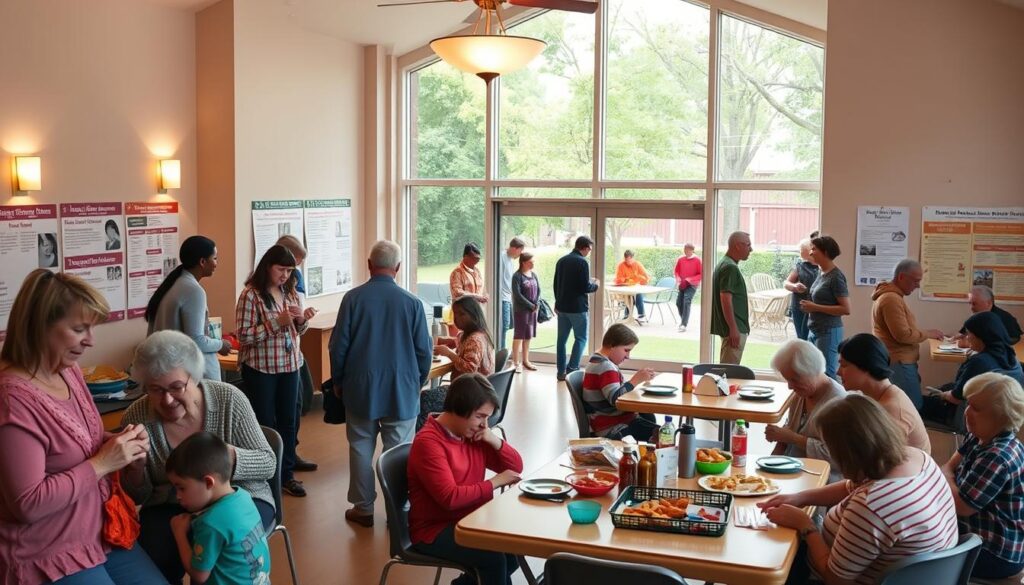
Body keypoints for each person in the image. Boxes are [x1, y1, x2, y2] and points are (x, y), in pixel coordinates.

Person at [0, 269, 167, 585]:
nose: (91, 340)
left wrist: (122, 445)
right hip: (47, 553)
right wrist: (104, 462)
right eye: (79, 329)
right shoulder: (12, 399)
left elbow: (76, 443)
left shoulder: (68, 371)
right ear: (39, 328)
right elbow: (28, 503)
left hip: (99, 532)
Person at [121, 330, 276, 582]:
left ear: (193, 377)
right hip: (171, 505)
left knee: (220, 550)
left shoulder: (229, 399)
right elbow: (138, 497)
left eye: (176, 387)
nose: (168, 399)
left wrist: (223, 457)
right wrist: (136, 468)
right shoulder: (137, 417)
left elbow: (268, 463)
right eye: (156, 390)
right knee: (154, 555)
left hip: (239, 498)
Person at [759, 394, 958, 585]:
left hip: (828, 578)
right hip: (926, 578)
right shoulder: (917, 458)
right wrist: (801, 498)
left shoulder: (872, 506)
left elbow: (835, 579)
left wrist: (806, 526)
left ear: (846, 453)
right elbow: (850, 487)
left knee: (773, 562)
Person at [330, 240, 432, 528]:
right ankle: (397, 509)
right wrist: (418, 381)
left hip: (360, 388)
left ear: (369, 264)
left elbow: (339, 346)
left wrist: (339, 380)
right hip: (402, 390)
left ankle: (363, 509)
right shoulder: (412, 303)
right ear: (397, 268)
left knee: (360, 447)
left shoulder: (352, 299)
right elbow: (424, 351)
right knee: (399, 450)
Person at [408, 374, 524, 585]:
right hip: (434, 530)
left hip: (471, 520)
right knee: (494, 559)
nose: (484, 425)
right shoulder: (429, 443)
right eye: (480, 416)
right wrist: (494, 482)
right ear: (459, 409)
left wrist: (494, 439)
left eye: (487, 418)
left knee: (514, 549)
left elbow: (515, 468)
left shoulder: (471, 435)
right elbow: (449, 498)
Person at [235, 245, 314, 497]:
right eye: (281, 269)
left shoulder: (289, 292)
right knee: (266, 422)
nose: (285, 275)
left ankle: (287, 474)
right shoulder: (251, 295)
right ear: (267, 266)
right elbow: (244, 336)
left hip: (289, 366)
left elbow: (296, 332)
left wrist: (302, 321)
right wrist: (274, 323)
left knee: (289, 421)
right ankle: (267, 474)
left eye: (290, 271)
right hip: (261, 369)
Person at [940, 373, 1024, 580]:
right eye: (968, 404)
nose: (966, 412)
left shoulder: (997, 456)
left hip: (995, 552)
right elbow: (950, 464)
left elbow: (961, 506)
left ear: (1001, 416)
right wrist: (948, 476)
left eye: (976, 409)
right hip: (976, 535)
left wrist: (946, 477)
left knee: (918, 553)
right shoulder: (980, 436)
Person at [166, 432, 271, 585]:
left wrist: (179, 533)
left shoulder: (211, 524)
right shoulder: (243, 496)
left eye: (181, 488)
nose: (178, 496)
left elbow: (199, 575)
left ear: (209, 482)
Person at [145, 235, 232, 382]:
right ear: (203, 262)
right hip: (191, 375)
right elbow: (196, 340)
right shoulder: (193, 291)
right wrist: (221, 344)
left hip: (170, 370)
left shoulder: (174, 284)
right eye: (215, 258)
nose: (217, 263)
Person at [921, 312, 1024, 429]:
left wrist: (943, 395)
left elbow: (956, 398)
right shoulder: (1011, 357)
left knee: (915, 403)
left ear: (981, 337)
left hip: (963, 416)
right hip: (1001, 418)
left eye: (969, 334)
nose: (967, 337)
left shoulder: (979, 362)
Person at [765, 339, 846, 482]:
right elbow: (788, 430)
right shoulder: (801, 393)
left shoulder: (838, 403)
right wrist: (768, 465)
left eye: (794, 380)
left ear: (812, 372)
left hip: (820, 480)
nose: (790, 386)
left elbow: (837, 457)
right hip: (791, 472)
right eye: (787, 380)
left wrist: (793, 438)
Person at [837, 334, 931, 453]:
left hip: (906, 470)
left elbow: (879, 460)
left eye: (844, 365)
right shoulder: (874, 395)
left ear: (867, 365)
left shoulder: (892, 409)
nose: (838, 372)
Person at [871, 259, 945, 409]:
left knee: (906, 405)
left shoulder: (893, 296)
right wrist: (928, 333)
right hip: (899, 361)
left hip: (901, 360)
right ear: (902, 277)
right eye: (915, 281)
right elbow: (903, 335)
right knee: (911, 407)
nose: (918, 286)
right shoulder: (891, 299)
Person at [274, 234, 318, 470]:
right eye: (294, 263)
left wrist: (303, 318)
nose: (295, 270)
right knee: (286, 408)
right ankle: (282, 456)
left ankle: (290, 452)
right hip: (275, 358)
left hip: (293, 352)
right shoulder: (258, 288)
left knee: (302, 399)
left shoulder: (294, 279)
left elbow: (298, 320)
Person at [420, 297, 495, 430]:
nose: (457, 318)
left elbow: (469, 369)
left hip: (470, 394)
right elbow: (459, 342)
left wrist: (449, 353)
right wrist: (443, 341)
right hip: (478, 390)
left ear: (473, 314)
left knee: (424, 398)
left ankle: (427, 438)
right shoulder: (475, 335)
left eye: (462, 314)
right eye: (455, 314)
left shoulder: (475, 340)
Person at [581, 324, 658, 440]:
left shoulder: (598, 361)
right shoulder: (605, 367)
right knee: (664, 435)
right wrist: (635, 380)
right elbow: (616, 399)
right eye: (626, 350)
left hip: (612, 422)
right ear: (612, 345)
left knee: (649, 418)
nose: (628, 356)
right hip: (612, 427)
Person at [800, 235, 850, 379]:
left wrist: (814, 307)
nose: (810, 253)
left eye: (814, 249)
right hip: (815, 329)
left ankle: (834, 402)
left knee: (827, 374)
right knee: (815, 372)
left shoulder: (836, 277)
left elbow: (846, 309)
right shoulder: (821, 273)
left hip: (829, 331)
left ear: (826, 253)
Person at [553, 236, 600, 382]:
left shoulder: (562, 260)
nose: (589, 252)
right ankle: (572, 368)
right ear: (585, 247)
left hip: (562, 307)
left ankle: (561, 372)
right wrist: (596, 284)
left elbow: (556, 284)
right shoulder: (582, 262)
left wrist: (557, 302)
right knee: (580, 338)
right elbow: (584, 287)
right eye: (590, 249)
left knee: (561, 341)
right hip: (578, 308)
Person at [711, 231, 752, 364]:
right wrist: (733, 328)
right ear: (738, 246)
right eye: (748, 245)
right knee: (729, 373)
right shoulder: (730, 267)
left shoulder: (724, 263)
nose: (751, 249)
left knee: (727, 369)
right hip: (734, 328)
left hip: (730, 327)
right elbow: (725, 298)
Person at [956, 285, 1021, 346]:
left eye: (974, 304)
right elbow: (961, 334)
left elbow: (1012, 340)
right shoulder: (976, 317)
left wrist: (970, 343)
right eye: (970, 303)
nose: (971, 308)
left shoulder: (1002, 318)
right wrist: (953, 339)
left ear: (989, 303)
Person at [511, 252, 540, 372]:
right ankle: (516, 362)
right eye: (531, 261)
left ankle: (526, 360)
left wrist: (536, 303)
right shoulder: (517, 276)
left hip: (532, 310)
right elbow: (517, 294)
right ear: (524, 262)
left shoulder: (533, 274)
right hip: (521, 311)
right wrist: (530, 305)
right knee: (519, 336)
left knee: (528, 335)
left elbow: (539, 290)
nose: (533, 263)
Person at [784, 238, 818, 341]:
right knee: (801, 336)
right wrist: (795, 287)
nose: (800, 251)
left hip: (815, 306)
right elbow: (786, 283)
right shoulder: (799, 266)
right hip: (799, 306)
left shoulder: (821, 267)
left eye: (801, 249)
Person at [498, 238, 525, 350]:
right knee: (504, 326)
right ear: (514, 248)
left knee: (508, 325)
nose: (520, 254)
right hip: (502, 298)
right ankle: (501, 352)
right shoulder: (501, 257)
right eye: (520, 251)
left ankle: (501, 351)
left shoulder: (510, 260)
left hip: (508, 297)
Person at [614, 250, 650, 322]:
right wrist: (626, 279)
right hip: (624, 289)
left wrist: (641, 280)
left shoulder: (637, 264)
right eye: (626, 260)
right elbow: (617, 279)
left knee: (637, 293)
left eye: (630, 260)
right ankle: (635, 314)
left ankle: (633, 315)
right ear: (624, 258)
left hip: (635, 287)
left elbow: (646, 277)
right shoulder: (621, 265)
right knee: (632, 295)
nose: (628, 262)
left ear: (633, 258)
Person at [673, 243, 702, 333]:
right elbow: (676, 271)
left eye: (688, 250)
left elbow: (701, 274)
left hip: (692, 285)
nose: (686, 251)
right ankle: (683, 320)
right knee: (678, 303)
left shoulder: (697, 260)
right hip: (682, 284)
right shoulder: (681, 259)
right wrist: (678, 280)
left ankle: (683, 324)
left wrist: (689, 279)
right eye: (685, 249)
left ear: (692, 250)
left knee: (686, 301)